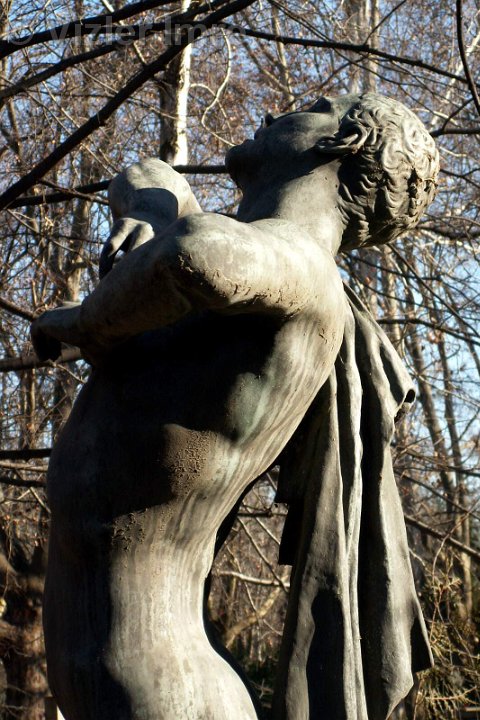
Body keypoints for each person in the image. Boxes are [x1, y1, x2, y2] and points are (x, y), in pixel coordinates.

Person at [31, 93, 439, 720]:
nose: (273, 115)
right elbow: (150, 176)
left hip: (170, 695)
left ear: (343, 145)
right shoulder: (252, 266)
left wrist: (87, 322)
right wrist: (149, 212)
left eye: (313, 107)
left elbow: (197, 254)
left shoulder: (304, 271)